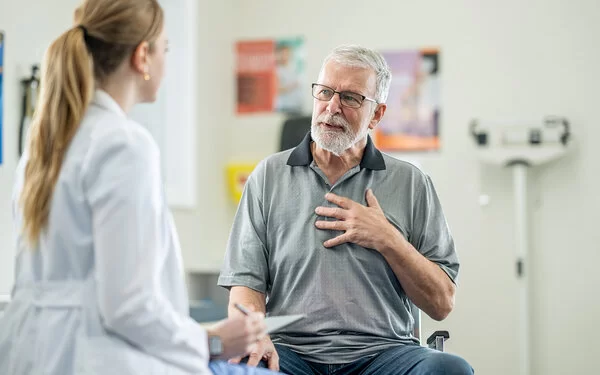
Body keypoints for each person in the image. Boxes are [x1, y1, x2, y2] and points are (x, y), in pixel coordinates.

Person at [0, 1, 283, 374]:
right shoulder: (124, 145)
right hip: (97, 359)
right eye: (165, 49)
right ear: (142, 57)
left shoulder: (45, 147)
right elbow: (128, 306)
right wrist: (212, 342)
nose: (167, 61)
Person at [218, 45, 474, 375]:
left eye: (351, 98)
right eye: (325, 92)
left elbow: (441, 303)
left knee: (451, 370)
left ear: (377, 114)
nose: (332, 106)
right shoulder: (268, 176)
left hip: (385, 354)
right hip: (291, 353)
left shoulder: (411, 183)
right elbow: (246, 285)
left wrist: (388, 239)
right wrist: (253, 337)